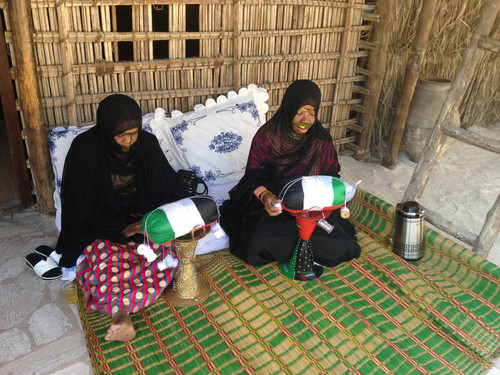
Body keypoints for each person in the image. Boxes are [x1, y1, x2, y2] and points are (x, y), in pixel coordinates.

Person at [27, 94, 190, 341]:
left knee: (157, 259)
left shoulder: (146, 143)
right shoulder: (85, 150)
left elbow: (166, 186)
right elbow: (78, 206)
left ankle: (125, 312)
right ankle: (120, 315)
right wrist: (119, 230)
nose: (128, 141)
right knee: (107, 260)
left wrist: (151, 221)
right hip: (101, 223)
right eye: (121, 135)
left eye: (134, 133)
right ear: (106, 129)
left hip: (142, 218)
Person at [220, 80, 361, 268]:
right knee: (255, 243)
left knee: (344, 246)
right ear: (289, 107)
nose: (306, 120)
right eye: (300, 112)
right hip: (275, 209)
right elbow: (253, 177)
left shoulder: (321, 140)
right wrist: (266, 196)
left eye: (311, 113)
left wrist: (319, 202)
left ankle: (302, 246)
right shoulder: (267, 137)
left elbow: (332, 176)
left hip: (312, 211)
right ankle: (298, 247)